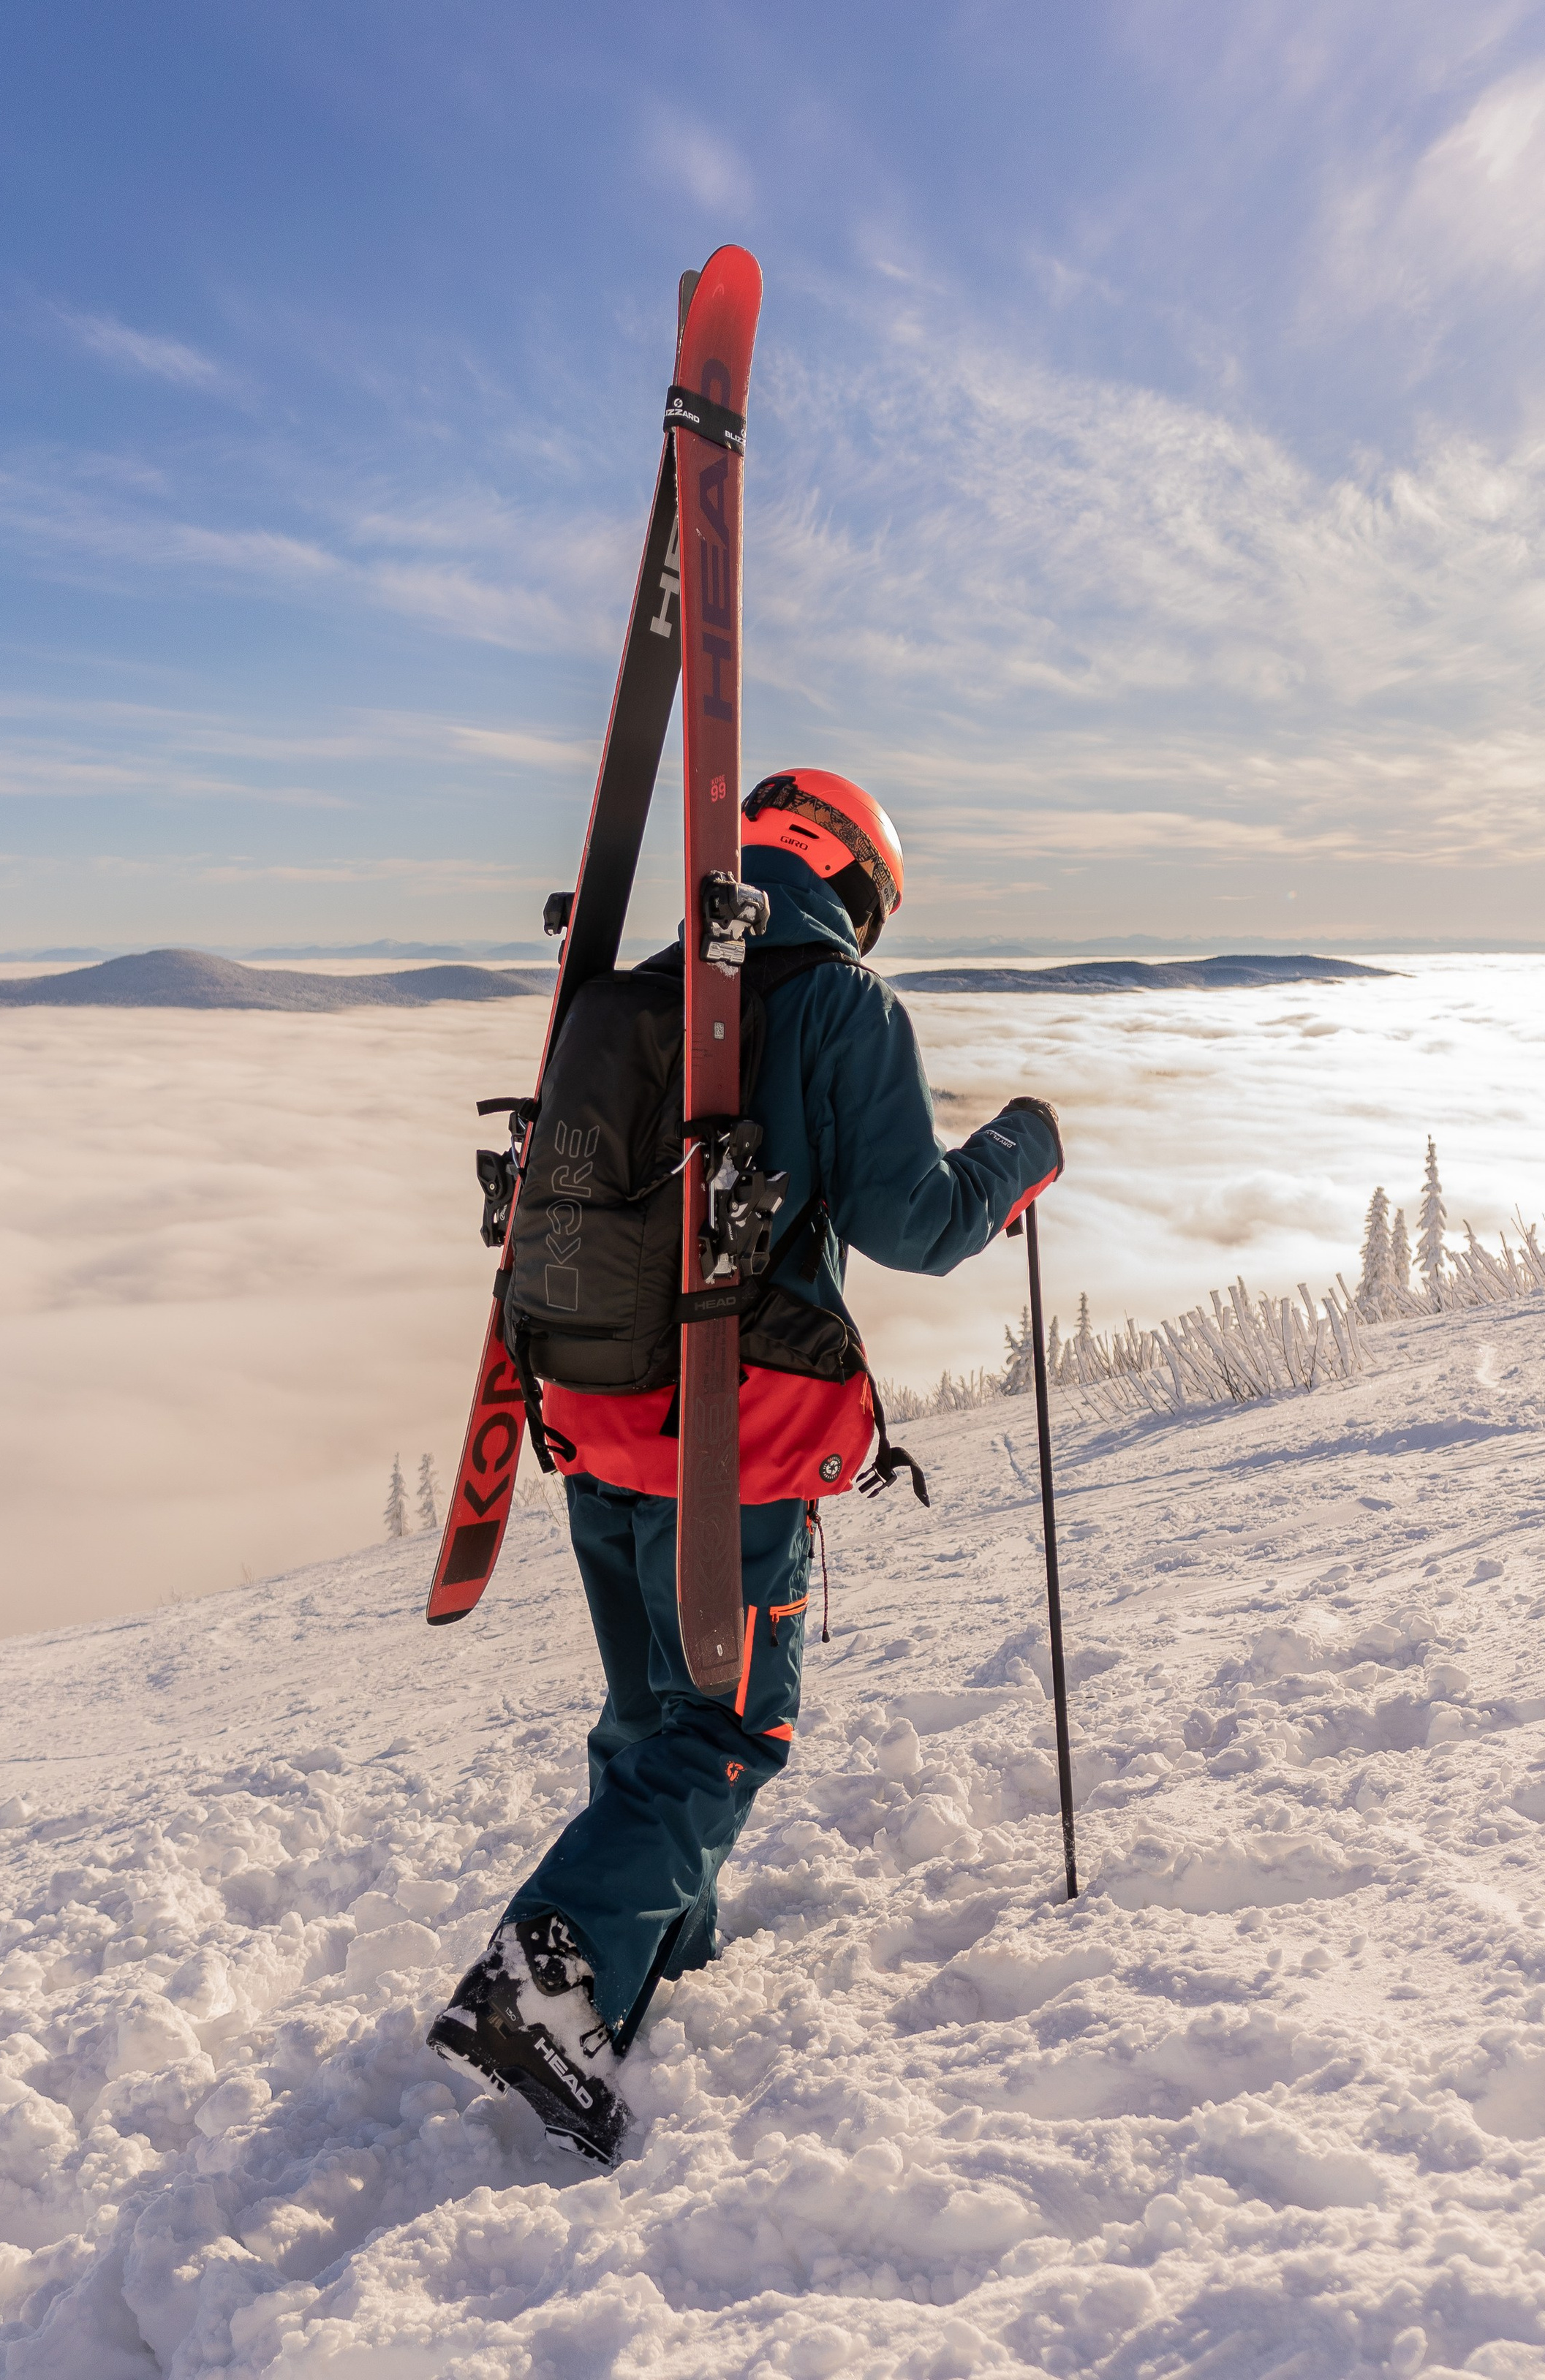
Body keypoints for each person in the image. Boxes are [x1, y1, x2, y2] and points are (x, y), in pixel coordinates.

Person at [428, 768, 1062, 2161]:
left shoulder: (638, 989)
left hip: (592, 1414)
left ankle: (649, 1959)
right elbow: (917, 1222)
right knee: (729, 1727)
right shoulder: (838, 1000)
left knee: (649, 1713)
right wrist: (1022, 1147)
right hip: (731, 1435)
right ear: (858, 883)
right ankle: (552, 1983)